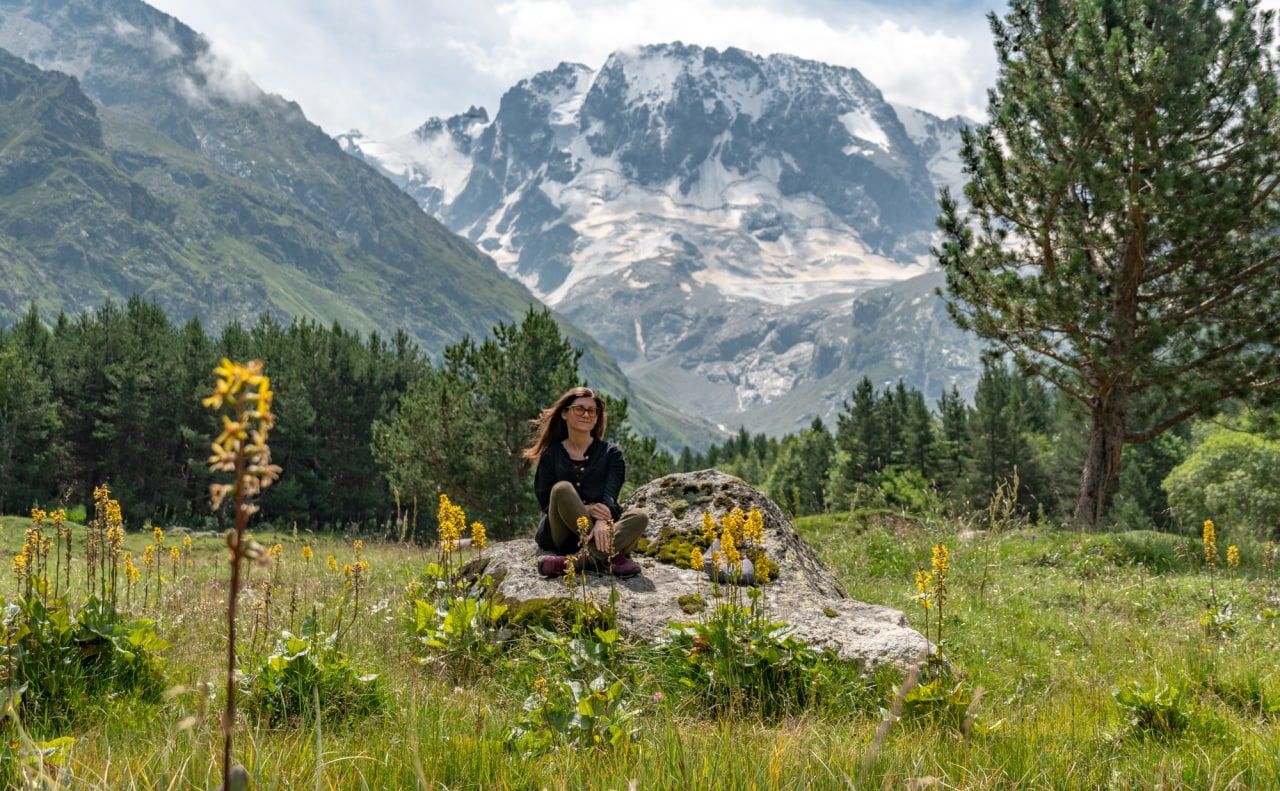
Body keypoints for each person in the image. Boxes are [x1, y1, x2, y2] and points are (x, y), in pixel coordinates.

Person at [525, 386, 648, 578]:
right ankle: (611, 555)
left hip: (602, 529)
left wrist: (601, 520)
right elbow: (546, 503)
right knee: (562, 489)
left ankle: (573, 563)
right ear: (565, 413)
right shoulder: (551, 455)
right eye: (580, 408)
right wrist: (587, 509)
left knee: (640, 516)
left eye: (592, 410)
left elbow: (610, 497)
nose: (586, 414)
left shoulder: (611, 454)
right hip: (563, 534)